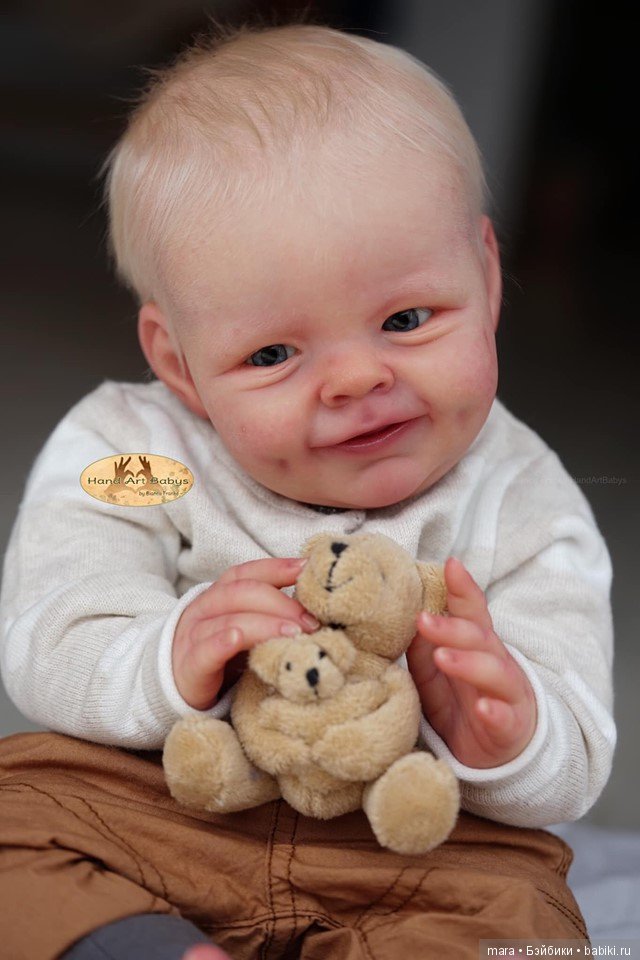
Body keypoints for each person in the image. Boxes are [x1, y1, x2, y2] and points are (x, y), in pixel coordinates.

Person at [0, 18, 614, 960]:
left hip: (418, 846)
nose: (356, 380)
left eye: (407, 318)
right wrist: (173, 652)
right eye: (274, 353)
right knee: (15, 811)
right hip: (161, 804)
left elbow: (573, 753)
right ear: (180, 363)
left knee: (527, 926)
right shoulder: (135, 451)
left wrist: (508, 729)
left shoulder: (523, 498)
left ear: (487, 278)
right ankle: (140, 946)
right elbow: (49, 622)